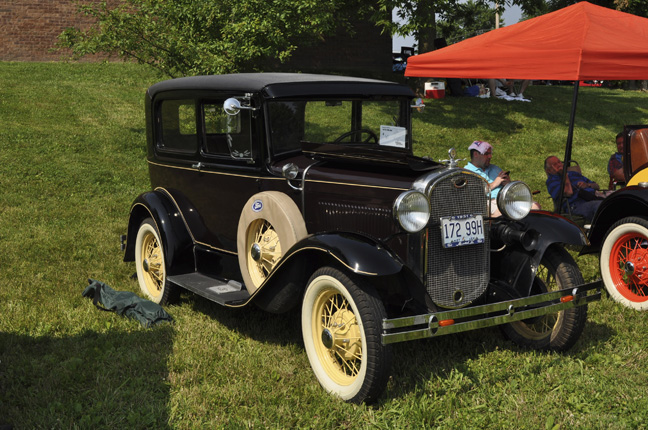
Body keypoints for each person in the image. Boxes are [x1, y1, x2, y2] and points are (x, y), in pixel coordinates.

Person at [464, 140, 540, 217]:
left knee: (535, 207)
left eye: (490, 153)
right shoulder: (467, 172)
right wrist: (494, 184)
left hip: (508, 198)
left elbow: (509, 187)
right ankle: (491, 223)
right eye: (486, 154)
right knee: (506, 212)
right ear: (475, 154)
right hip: (489, 202)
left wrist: (508, 184)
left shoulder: (495, 168)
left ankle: (524, 228)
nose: (490, 156)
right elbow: (472, 194)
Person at [544, 156, 602, 222]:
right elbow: (569, 192)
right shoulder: (552, 182)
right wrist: (564, 175)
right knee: (600, 206)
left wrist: (587, 185)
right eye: (554, 164)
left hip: (593, 197)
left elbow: (597, 186)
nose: (559, 165)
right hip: (576, 205)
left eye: (559, 162)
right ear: (548, 170)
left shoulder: (573, 174)